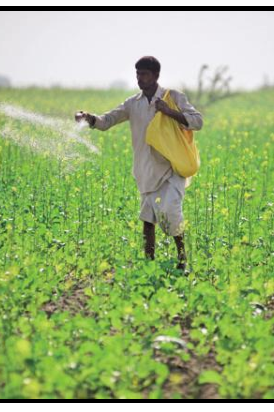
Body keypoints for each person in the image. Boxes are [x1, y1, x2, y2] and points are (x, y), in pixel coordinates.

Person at [75, 56, 203, 271]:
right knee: (148, 219)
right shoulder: (132, 104)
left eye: (144, 74)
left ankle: (183, 260)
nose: (139, 79)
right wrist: (88, 117)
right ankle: (148, 264)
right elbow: (107, 121)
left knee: (171, 211)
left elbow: (197, 121)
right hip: (145, 169)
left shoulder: (173, 97)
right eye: (137, 74)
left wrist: (168, 111)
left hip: (171, 168)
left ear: (156, 76)